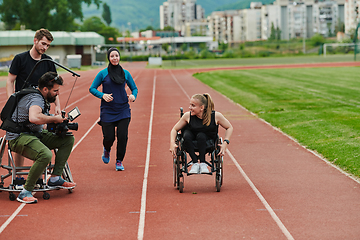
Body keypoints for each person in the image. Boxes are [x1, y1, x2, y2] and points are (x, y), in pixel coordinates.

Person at [6, 72, 76, 204]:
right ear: (45, 89)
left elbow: (36, 119)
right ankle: (25, 192)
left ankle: (55, 178)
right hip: (19, 137)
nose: (58, 94)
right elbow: (34, 117)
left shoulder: (39, 95)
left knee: (67, 139)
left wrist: (55, 122)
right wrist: (55, 118)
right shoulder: (36, 98)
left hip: (34, 133)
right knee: (45, 154)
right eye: (55, 90)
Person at [6, 28, 61, 180]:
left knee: (40, 136)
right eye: (43, 43)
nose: (45, 47)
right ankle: (18, 177)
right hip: (21, 108)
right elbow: (10, 81)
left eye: (48, 45)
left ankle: (39, 176)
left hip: (41, 107)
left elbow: (54, 88)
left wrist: (58, 107)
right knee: (20, 138)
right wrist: (11, 102)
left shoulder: (48, 62)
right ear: (35, 40)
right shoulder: (20, 58)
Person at [89, 47, 138, 171]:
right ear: (108, 58)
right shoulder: (102, 73)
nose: (115, 58)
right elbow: (92, 88)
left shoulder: (126, 73)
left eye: (116, 55)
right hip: (108, 110)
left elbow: (135, 88)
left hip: (123, 109)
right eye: (112, 56)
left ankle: (119, 161)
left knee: (123, 136)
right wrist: (102, 95)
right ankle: (107, 149)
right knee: (109, 137)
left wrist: (133, 96)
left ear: (119, 57)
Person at [170, 93, 233, 174]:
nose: (190, 108)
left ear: (201, 107)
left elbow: (229, 127)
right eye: (190, 105)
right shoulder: (187, 116)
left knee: (201, 135)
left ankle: (203, 163)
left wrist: (225, 143)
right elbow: (174, 129)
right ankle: (195, 163)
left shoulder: (215, 116)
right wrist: (172, 143)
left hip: (208, 143)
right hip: (190, 143)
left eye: (193, 105)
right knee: (186, 134)